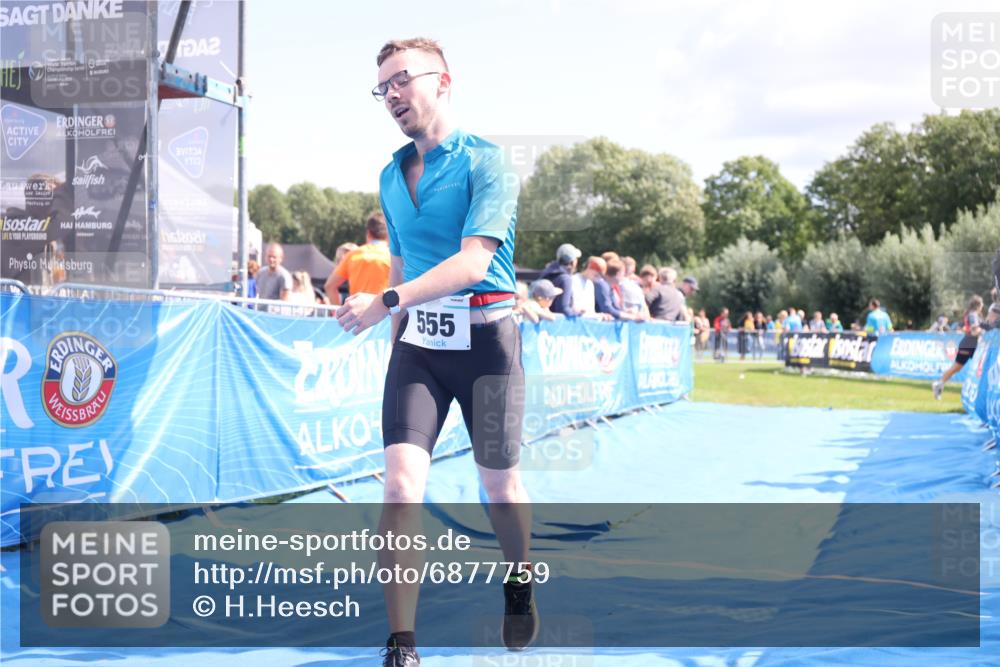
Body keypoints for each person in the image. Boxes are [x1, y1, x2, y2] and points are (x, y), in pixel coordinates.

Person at [335, 38, 535, 666]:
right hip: (418, 346)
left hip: (488, 342)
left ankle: (520, 577)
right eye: (382, 87)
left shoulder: (489, 163)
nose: (392, 94)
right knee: (399, 486)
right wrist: (397, 334)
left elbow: (475, 261)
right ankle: (402, 644)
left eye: (402, 80)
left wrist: (386, 302)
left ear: (443, 82)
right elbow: (400, 261)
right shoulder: (390, 174)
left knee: (499, 489)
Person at [325, 212, 392, 305]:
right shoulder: (393, 258)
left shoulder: (352, 255)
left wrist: (338, 312)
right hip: (385, 315)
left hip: (357, 315)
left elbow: (330, 286)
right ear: (388, 234)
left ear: (368, 233)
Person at [933, 295, 984, 400]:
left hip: (968, 344)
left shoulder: (969, 314)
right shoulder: (973, 315)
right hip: (970, 345)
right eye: (982, 304)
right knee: (975, 368)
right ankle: (939, 384)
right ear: (979, 305)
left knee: (956, 368)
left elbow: (961, 327)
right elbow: (974, 330)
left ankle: (939, 383)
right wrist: (983, 331)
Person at [539, 243, 582, 316]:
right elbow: (563, 309)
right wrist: (578, 313)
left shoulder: (546, 273)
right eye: (575, 259)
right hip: (555, 323)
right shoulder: (565, 279)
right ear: (571, 261)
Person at [590, 256, 638, 321]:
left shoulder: (610, 286)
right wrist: (631, 317)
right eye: (623, 274)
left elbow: (615, 307)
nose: (623, 277)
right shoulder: (601, 284)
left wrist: (626, 312)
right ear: (618, 274)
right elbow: (607, 309)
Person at [255, 243, 293, 312]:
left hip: (274, 315)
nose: (271, 259)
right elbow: (257, 292)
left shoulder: (284, 276)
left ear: (281, 258)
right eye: (269, 256)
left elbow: (285, 301)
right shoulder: (260, 273)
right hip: (259, 313)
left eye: (274, 257)